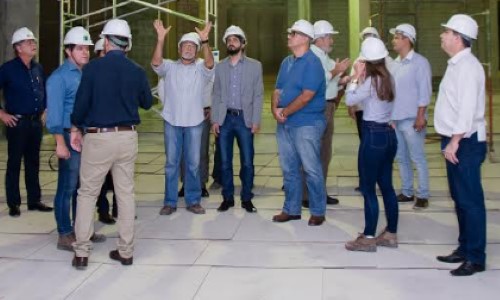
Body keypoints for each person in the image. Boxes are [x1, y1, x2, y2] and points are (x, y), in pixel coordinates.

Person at [70, 19, 153, 270]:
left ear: (106, 42)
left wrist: (75, 127)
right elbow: (147, 103)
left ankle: (82, 252)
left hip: (98, 138)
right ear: (127, 44)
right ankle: (126, 251)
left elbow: (81, 105)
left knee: (87, 194)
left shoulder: (93, 70)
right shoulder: (137, 71)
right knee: (125, 193)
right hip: (127, 137)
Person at [435, 14, 487, 276]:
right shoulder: (456, 64)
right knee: (459, 198)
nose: (442, 36)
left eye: (446, 32)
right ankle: (465, 248)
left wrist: (454, 141)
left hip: (465, 142)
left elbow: (466, 110)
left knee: (470, 200)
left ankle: (476, 257)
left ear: (458, 37)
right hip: (456, 140)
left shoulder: (468, 67)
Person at [46, 27, 106, 251]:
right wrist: (60, 143)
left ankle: (82, 230)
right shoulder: (59, 78)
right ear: (68, 50)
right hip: (68, 135)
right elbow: (53, 114)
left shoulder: (85, 73)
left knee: (84, 187)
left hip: (85, 133)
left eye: (87, 48)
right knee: (67, 186)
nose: (85, 52)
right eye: (80, 48)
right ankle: (64, 233)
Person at [151, 20, 214, 216]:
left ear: (196, 51)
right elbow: (156, 63)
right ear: (179, 49)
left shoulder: (201, 68)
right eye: (185, 46)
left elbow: (211, 64)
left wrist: (204, 42)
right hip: (172, 121)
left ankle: (193, 200)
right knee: (171, 164)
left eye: (192, 46)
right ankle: (170, 202)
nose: (188, 49)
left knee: (193, 164)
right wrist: (160, 39)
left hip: (195, 122)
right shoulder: (169, 67)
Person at [344, 37, 399, 252]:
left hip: (373, 136)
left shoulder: (368, 82)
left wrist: (355, 77)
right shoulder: (389, 78)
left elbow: (350, 100)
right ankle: (391, 233)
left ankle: (368, 237)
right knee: (387, 186)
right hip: (388, 134)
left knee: (368, 188)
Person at [271, 20, 327, 226]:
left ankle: (318, 210)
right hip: (285, 123)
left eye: (292, 33)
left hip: (307, 123)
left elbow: (306, 96)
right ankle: (291, 209)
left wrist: (284, 111)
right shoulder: (287, 62)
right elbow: (277, 89)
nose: (289, 36)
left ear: (304, 38)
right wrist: (274, 110)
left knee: (311, 168)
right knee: (289, 168)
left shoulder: (313, 63)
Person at [0, 27, 52, 217]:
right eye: (29, 42)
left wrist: (45, 109)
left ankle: (34, 200)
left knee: (33, 162)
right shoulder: (7, 69)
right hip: (17, 123)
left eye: (34, 42)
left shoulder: (38, 68)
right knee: (14, 163)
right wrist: (2, 114)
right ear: (18, 47)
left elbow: (43, 91)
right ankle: (14, 203)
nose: (33, 45)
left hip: (35, 123)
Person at [212, 25, 264, 213]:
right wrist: (215, 120)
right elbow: (216, 94)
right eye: (228, 40)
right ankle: (227, 198)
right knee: (225, 162)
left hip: (245, 119)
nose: (231, 42)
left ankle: (246, 198)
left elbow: (258, 95)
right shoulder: (220, 67)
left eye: (235, 39)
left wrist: (256, 120)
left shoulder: (255, 66)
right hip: (225, 119)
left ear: (243, 43)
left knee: (247, 162)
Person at [301, 20, 350, 208]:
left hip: (327, 106)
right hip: (317, 107)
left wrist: (345, 79)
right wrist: (335, 72)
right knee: (311, 152)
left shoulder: (324, 56)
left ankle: (318, 191)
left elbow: (331, 81)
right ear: (319, 39)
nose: (331, 40)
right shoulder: (311, 57)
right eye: (329, 37)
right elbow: (315, 81)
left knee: (324, 153)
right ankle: (306, 195)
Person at [389, 23, 432, 209]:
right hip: (397, 119)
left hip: (413, 119)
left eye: (397, 37)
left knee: (417, 158)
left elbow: (425, 92)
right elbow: (391, 93)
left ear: (407, 39)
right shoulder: (395, 64)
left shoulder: (420, 63)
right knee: (401, 158)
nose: (393, 40)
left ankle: (422, 194)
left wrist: (421, 116)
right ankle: (407, 191)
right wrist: (390, 118)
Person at [93, 38, 118, 225]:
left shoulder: (120, 74)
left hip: (118, 133)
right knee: (99, 176)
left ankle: (120, 207)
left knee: (119, 175)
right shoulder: (91, 75)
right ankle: (103, 210)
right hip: (97, 133)